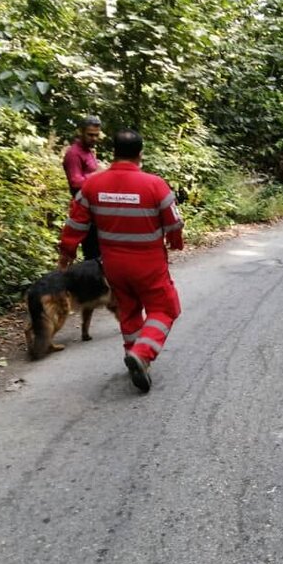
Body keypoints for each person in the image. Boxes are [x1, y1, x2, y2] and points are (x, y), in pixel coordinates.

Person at [58, 129, 184, 392]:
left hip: (112, 265)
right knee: (165, 308)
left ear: (113, 152)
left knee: (128, 308)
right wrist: (175, 242)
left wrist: (67, 253)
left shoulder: (92, 184)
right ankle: (143, 353)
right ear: (140, 153)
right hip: (148, 263)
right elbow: (173, 222)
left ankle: (134, 354)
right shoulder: (155, 184)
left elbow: (75, 224)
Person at [62, 115, 103, 260]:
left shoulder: (89, 151)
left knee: (101, 253)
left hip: (96, 210)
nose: (94, 138)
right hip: (84, 211)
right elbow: (75, 181)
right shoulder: (74, 153)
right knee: (92, 254)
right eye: (90, 135)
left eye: (96, 135)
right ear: (81, 132)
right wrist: (97, 175)